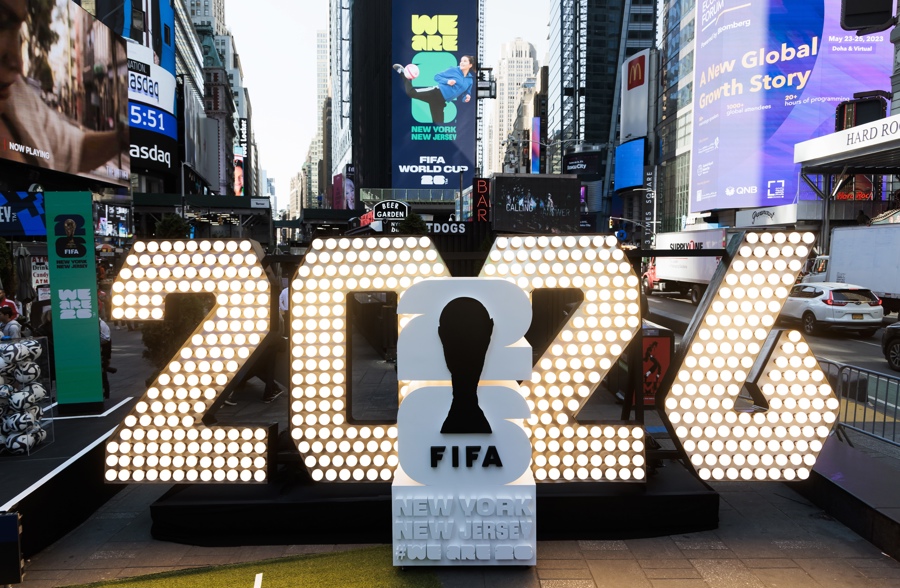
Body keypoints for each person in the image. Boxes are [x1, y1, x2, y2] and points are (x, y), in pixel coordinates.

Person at [0, 0, 128, 174]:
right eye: (2, 20)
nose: (17, 63)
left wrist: (123, 137)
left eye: (19, 35)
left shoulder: (21, 96)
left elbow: (75, 150)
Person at [392, 55, 475, 124]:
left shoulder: (470, 80)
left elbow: (466, 93)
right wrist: (447, 81)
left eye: (465, 61)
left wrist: (467, 97)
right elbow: (437, 77)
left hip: (441, 102)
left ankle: (431, 144)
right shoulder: (453, 70)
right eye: (461, 60)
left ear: (470, 65)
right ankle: (403, 73)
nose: (461, 62)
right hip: (435, 93)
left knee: (439, 124)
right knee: (411, 93)